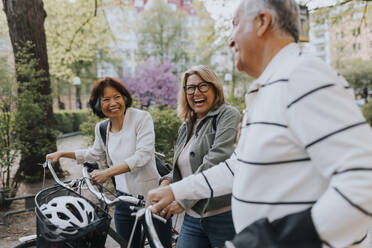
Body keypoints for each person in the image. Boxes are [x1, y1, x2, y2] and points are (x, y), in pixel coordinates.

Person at [146, 1, 372, 247]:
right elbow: (238, 167)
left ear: (262, 22)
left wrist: (274, 240)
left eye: (235, 26)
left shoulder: (302, 76)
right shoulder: (268, 89)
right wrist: (177, 191)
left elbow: (364, 179)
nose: (230, 41)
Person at [46, 77, 171, 248]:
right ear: (98, 104)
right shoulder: (103, 128)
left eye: (117, 96)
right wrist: (62, 153)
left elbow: (143, 156)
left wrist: (107, 172)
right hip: (123, 200)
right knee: (126, 244)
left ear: (124, 98)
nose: (113, 103)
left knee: (160, 245)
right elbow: (94, 153)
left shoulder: (141, 118)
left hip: (152, 198)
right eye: (106, 99)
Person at [159, 65, 240, 248]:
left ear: (214, 88)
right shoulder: (186, 127)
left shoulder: (227, 115)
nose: (196, 92)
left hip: (224, 216)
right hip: (193, 218)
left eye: (203, 86)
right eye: (190, 87)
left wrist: (182, 198)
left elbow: (216, 158)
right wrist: (167, 182)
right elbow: (184, 168)